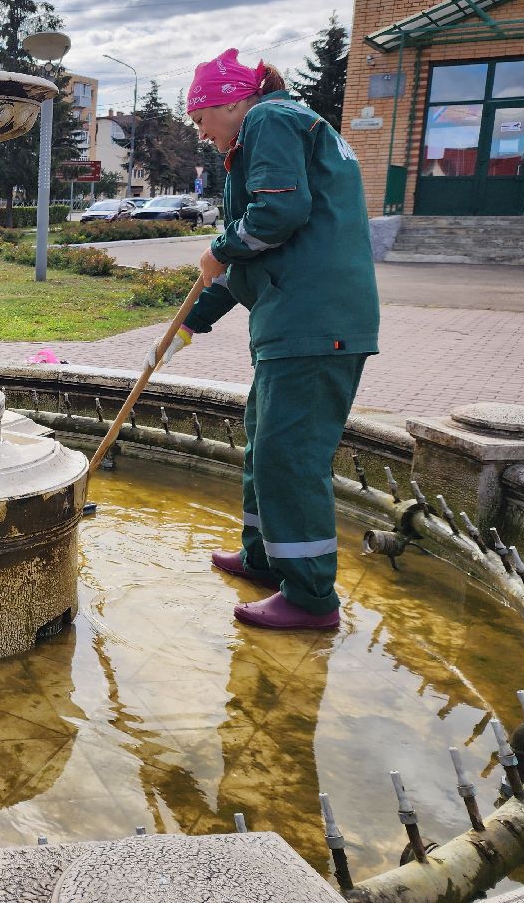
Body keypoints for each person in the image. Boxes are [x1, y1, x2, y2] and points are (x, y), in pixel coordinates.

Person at [146, 48, 379, 632]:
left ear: (230, 101)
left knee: (290, 455)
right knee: (264, 441)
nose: (200, 133)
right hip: (293, 322)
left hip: (313, 323)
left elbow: (277, 216)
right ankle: (266, 560)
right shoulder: (264, 133)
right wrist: (184, 331)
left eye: (202, 119)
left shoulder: (269, 120)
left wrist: (219, 248)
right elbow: (244, 263)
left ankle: (309, 596)